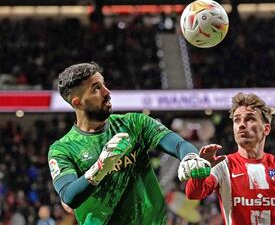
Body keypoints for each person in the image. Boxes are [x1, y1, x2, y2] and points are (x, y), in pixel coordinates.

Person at [48, 62, 211, 225]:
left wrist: (190, 156)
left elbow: (177, 144)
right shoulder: (62, 149)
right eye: (96, 88)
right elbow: (69, 196)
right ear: (78, 103)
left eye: (103, 84)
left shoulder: (134, 123)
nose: (107, 92)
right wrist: (99, 168)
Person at [185, 92, 275, 224]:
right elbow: (193, 194)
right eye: (237, 120)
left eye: (250, 119)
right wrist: (200, 173)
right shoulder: (223, 165)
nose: (241, 125)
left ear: (266, 129)